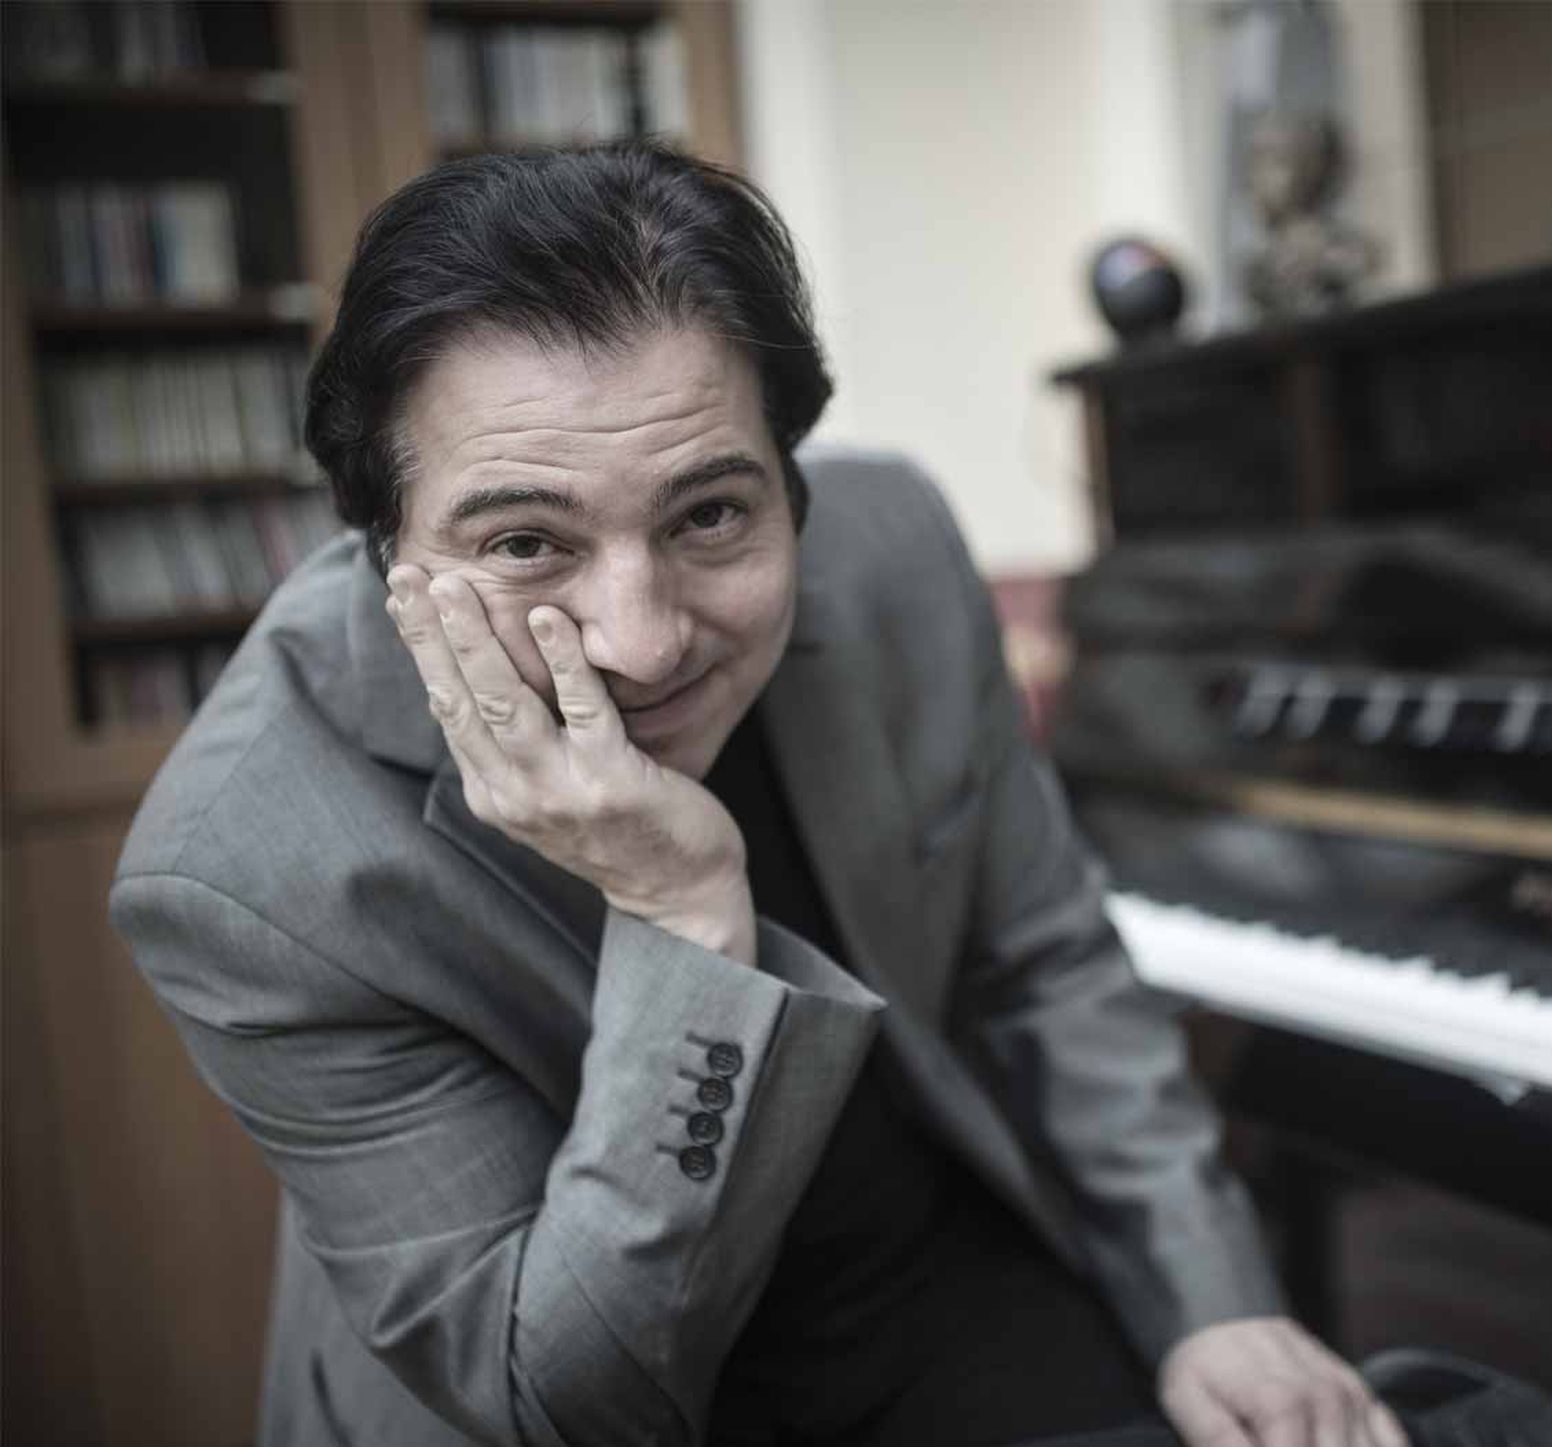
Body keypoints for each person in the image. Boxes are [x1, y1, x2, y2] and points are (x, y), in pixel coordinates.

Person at [110, 143, 1410, 1447]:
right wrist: (680, 919)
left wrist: (1211, 1300)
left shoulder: (891, 549)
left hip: (942, 1285)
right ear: (381, 546)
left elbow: (1042, 962)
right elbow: (564, 1396)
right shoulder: (240, 868)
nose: (642, 643)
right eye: (526, 543)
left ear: (790, 481)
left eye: (709, 517)